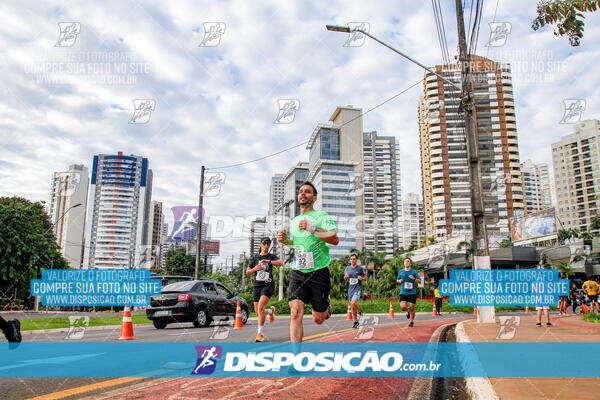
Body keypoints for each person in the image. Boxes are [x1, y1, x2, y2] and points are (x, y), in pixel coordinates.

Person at [278, 182, 339, 343]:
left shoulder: (322, 216)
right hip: (298, 271)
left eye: (307, 192)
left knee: (319, 319)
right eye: (301, 191)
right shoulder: (294, 221)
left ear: (314, 197)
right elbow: (298, 246)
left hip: (319, 271)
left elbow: (334, 239)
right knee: (295, 312)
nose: (303, 194)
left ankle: (326, 308)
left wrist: (312, 229)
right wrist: (286, 242)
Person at [246, 237, 282, 342]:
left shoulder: (271, 256)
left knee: (261, 308)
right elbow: (248, 272)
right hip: (257, 285)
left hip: (268, 285)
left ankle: (259, 334)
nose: (266, 245)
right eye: (265, 243)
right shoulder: (255, 257)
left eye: (268, 244)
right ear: (261, 244)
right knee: (258, 312)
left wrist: (269, 262)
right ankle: (270, 311)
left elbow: (280, 263)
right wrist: (255, 269)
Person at [396, 258, 421, 327]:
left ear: (410, 264)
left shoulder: (414, 272)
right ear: (404, 263)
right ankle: (408, 311)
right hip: (403, 292)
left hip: (412, 292)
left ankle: (411, 321)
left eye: (408, 262)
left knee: (412, 306)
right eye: (405, 261)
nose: (407, 263)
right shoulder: (401, 271)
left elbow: (419, 281)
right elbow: (397, 280)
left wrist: (414, 279)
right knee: (403, 307)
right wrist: (399, 281)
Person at [344, 253, 366, 328]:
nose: (352, 260)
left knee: (353, 303)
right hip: (351, 289)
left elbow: (365, 277)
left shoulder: (360, 269)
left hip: (358, 288)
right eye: (351, 259)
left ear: (356, 260)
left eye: (354, 259)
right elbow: (345, 277)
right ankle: (356, 321)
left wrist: (362, 278)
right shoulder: (347, 268)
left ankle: (359, 311)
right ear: (350, 260)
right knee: (352, 306)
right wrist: (346, 277)